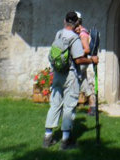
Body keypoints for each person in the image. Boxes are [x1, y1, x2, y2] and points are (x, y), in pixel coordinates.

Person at [43, 11, 98, 150]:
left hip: (57, 73)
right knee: (69, 106)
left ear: (64, 21)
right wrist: (92, 60)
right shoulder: (74, 38)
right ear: (76, 23)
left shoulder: (59, 34)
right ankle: (66, 140)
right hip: (70, 75)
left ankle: (47, 137)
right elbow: (78, 59)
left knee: (55, 104)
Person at [74, 11, 97, 116]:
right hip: (82, 61)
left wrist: (77, 54)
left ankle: (70, 105)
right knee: (83, 82)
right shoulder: (79, 31)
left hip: (82, 61)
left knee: (73, 79)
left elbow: (87, 49)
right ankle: (93, 106)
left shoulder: (83, 34)